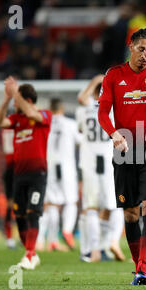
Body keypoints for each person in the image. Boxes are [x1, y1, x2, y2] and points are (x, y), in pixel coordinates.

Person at [98, 28, 146, 285]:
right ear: (130, 46)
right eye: (142, 48)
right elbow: (102, 113)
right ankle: (138, 266)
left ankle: (143, 269)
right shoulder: (114, 75)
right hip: (124, 149)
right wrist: (113, 134)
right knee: (130, 213)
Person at [0, 76, 52, 270]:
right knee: (19, 214)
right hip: (19, 175)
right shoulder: (16, 120)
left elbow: (30, 112)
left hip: (38, 174)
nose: (15, 104)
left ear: (26, 100)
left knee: (32, 212)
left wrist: (15, 93)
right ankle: (32, 254)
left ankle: (28, 254)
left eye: (18, 99)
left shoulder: (44, 115)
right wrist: (6, 100)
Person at [76, 74, 126, 262]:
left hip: (89, 162)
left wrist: (95, 80)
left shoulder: (84, 109)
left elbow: (82, 101)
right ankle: (110, 243)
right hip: (108, 161)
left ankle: (95, 250)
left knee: (90, 208)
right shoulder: (112, 110)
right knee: (114, 207)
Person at [36, 98, 81, 252]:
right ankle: (67, 230)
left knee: (50, 205)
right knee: (71, 202)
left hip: (49, 166)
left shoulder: (44, 123)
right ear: (61, 109)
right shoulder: (70, 124)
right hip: (66, 167)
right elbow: (80, 141)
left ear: (50, 109)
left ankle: (45, 240)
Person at [0, 128, 16, 249]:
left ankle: (10, 239)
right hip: (19, 168)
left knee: (10, 205)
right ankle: (11, 238)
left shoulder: (4, 130)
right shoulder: (20, 127)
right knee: (21, 205)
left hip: (10, 169)